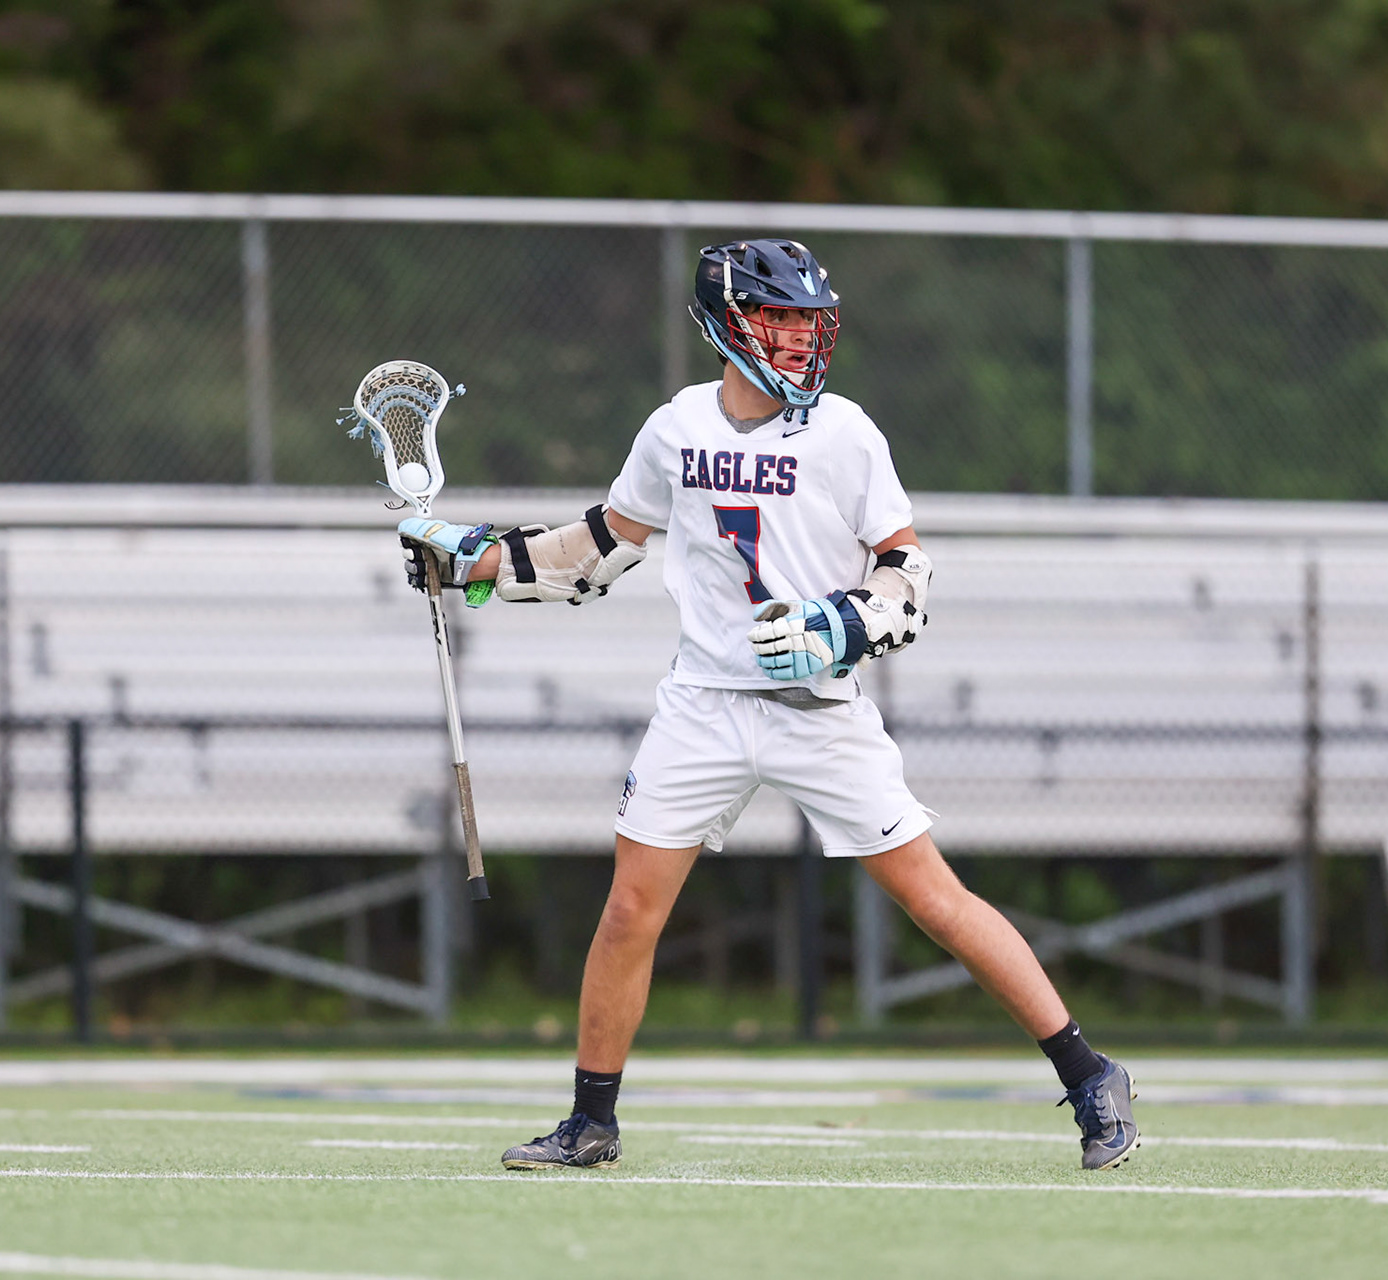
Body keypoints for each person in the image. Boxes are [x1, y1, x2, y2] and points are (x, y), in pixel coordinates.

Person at [397, 238, 1140, 1173]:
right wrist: (470, 560)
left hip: (816, 707)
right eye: (776, 319)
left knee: (934, 900)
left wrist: (844, 624)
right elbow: (594, 554)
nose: (796, 340)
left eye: (806, 321)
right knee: (630, 909)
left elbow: (907, 573)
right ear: (723, 323)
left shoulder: (847, 434)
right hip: (704, 703)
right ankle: (592, 1121)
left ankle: (1089, 1074)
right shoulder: (675, 429)